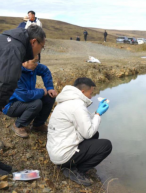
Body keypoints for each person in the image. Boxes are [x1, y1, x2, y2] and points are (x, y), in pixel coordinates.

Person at [47, 77, 112, 186]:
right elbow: (88, 133)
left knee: (95, 134)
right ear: (82, 92)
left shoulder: (67, 101)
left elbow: (83, 122)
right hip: (63, 155)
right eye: (90, 93)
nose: (91, 96)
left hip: (56, 150)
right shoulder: (77, 105)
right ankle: (75, 170)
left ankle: (70, 163)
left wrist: (96, 112)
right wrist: (98, 115)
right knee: (106, 145)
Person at [0, 24, 46, 175]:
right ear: (34, 42)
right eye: (42, 46)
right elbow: (6, 82)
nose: (40, 51)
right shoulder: (14, 48)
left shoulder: (14, 42)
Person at [2, 56, 57, 138]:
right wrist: (42, 91)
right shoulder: (14, 73)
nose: (36, 64)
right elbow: (24, 96)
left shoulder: (33, 67)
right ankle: (18, 125)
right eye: (34, 62)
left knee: (50, 96)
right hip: (10, 105)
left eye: (37, 61)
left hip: (25, 98)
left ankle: (38, 124)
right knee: (36, 103)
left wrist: (49, 88)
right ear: (24, 62)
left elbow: (45, 70)